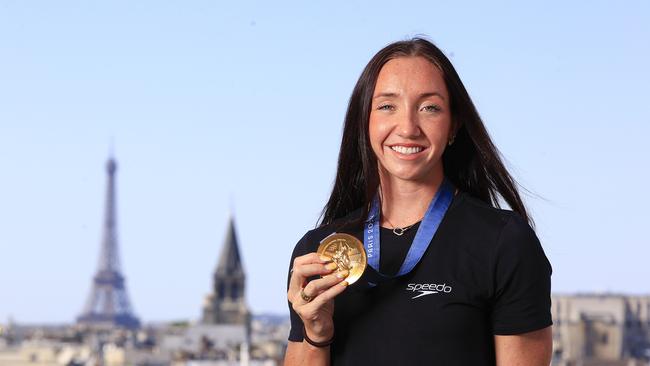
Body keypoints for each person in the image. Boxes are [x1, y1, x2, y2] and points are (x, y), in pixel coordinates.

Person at [284, 38, 553, 366]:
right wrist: (316, 333)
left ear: (453, 124)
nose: (408, 127)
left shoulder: (504, 243)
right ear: (364, 122)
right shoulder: (318, 253)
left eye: (430, 107)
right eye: (387, 106)